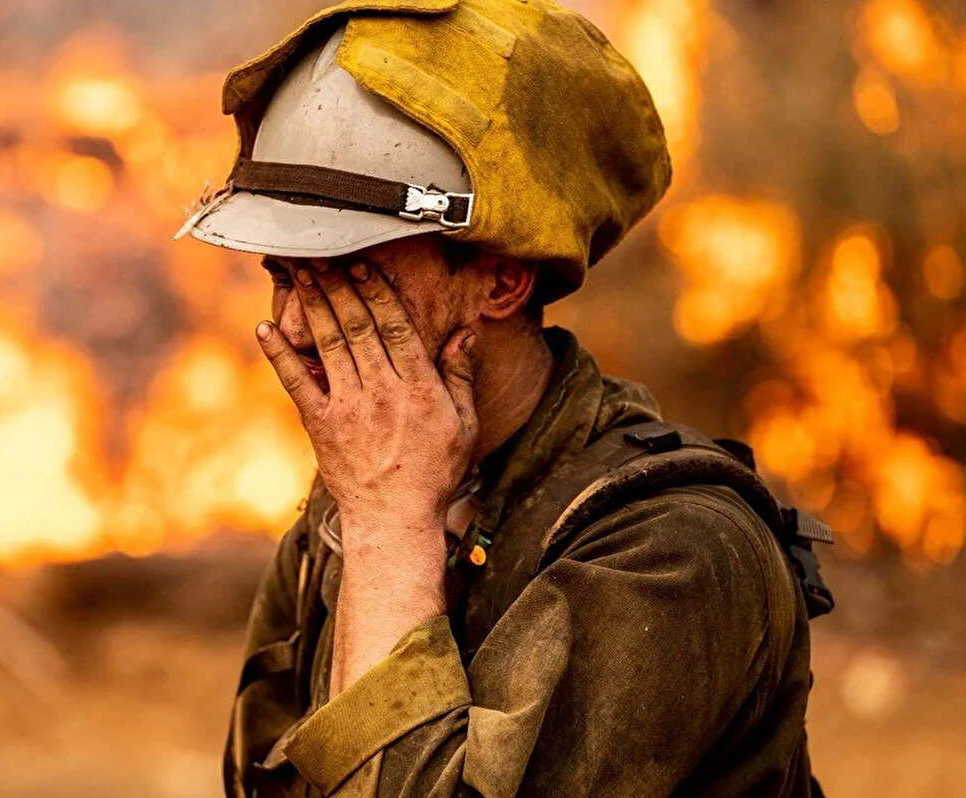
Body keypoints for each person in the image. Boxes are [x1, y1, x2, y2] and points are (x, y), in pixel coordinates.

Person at [179, 2, 824, 795]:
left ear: (502, 280)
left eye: (346, 274)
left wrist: (389, 529)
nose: (296, 328)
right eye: (283, 274)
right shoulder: (354, 504)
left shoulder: (678, 549)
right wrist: (382, 518)